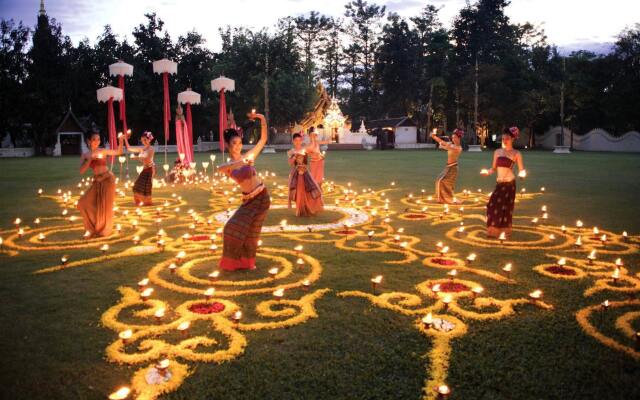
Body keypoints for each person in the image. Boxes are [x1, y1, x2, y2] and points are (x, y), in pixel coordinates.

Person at [217, 110, 271, 271]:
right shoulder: (228, 166)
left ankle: (247, 262)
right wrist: (240, 162)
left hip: (261, 197)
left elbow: (263, 139)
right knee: (231, 228)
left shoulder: (249, 155)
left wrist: (261, 119)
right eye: (234, 143)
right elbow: (220, 168)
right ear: (227, 145)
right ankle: (239, 262)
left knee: (251, 232)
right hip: (248, 200)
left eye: (240, 143)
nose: (238, 146)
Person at [482, 127, 527, 239]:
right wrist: (487, 172)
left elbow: (521, 169)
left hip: (509, 184)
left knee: (505, 208)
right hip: (499, 183)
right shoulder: (497, 152)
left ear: (512, 139)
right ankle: (493, 231)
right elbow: (493, 168)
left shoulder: (516, 153)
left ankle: (503, 232)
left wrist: (522, 175)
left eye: (507, 138)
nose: (504, 140)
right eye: (503, 138)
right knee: (492, 205)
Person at [77, 131, 124, 237]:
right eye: (94, 139)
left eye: (98, 139)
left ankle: (104, 229)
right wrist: (90, 159)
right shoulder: (85, 155)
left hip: (108, 179)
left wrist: (120, 141)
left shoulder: (102, 151)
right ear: (88, 141)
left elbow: (118, 152)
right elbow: (81, 171)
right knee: (82, 203)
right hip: (97, 180)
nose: (97, 142)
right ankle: (91, 228)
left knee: (106, 206)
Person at [288, 133, 324, 216]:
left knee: (309, 190)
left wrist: (313, 139)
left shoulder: (305, 150)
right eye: (296, 140)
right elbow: (290, 163)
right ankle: (299, 209)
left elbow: (314, 153)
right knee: (298, 191)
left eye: (299, 140)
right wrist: (294, 157)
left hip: (305, 173)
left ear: (301, 141)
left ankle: (308, 207)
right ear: (293, 141)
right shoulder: (291, 151)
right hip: (296, 174)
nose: (298, 142)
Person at [431, 128, 463, 204]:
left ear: (459, 138)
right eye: (452, 137)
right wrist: (443, 145)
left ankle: (445, 198)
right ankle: (441, 197)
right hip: (448, 167)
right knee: (439, 180)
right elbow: (445, 145)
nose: (453, 139)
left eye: (455, 137)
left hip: (453, 168)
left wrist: (434, 137)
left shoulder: (458, 148)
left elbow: (443, 143)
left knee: (441, 181)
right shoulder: (452, 146)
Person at [125, 131, 155, 205]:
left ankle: (146, 202)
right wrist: (125, 139)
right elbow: (129, 148)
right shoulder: (142, 148)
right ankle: (140, 201)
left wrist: (136, 157)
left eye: (145, 140)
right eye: (142, 140)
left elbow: (147, 158)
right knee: (138, 186)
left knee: (144, 187)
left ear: (149, 139)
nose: (144, 141)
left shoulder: (151, 149)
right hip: (145, 169)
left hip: (149, 169)